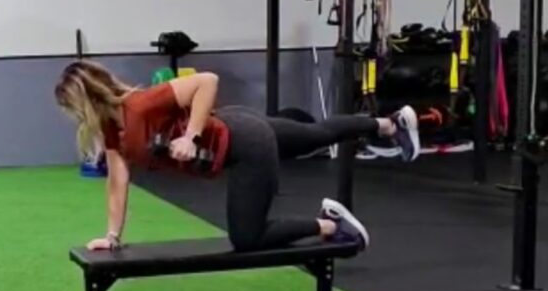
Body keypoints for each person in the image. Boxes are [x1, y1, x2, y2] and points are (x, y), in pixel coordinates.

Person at [53, 61, 420, 252]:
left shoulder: (141, 105)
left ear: (85, 100)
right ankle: (390, 124)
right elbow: (117, 182)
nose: (74, 118)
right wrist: (112, 236)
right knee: (315, 135)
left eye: (72, 108)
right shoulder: (113, 131)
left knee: (247, 238)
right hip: (238, 128)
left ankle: (331, 226)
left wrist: (191, 136)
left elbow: (207, 81)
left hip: (245, 145)